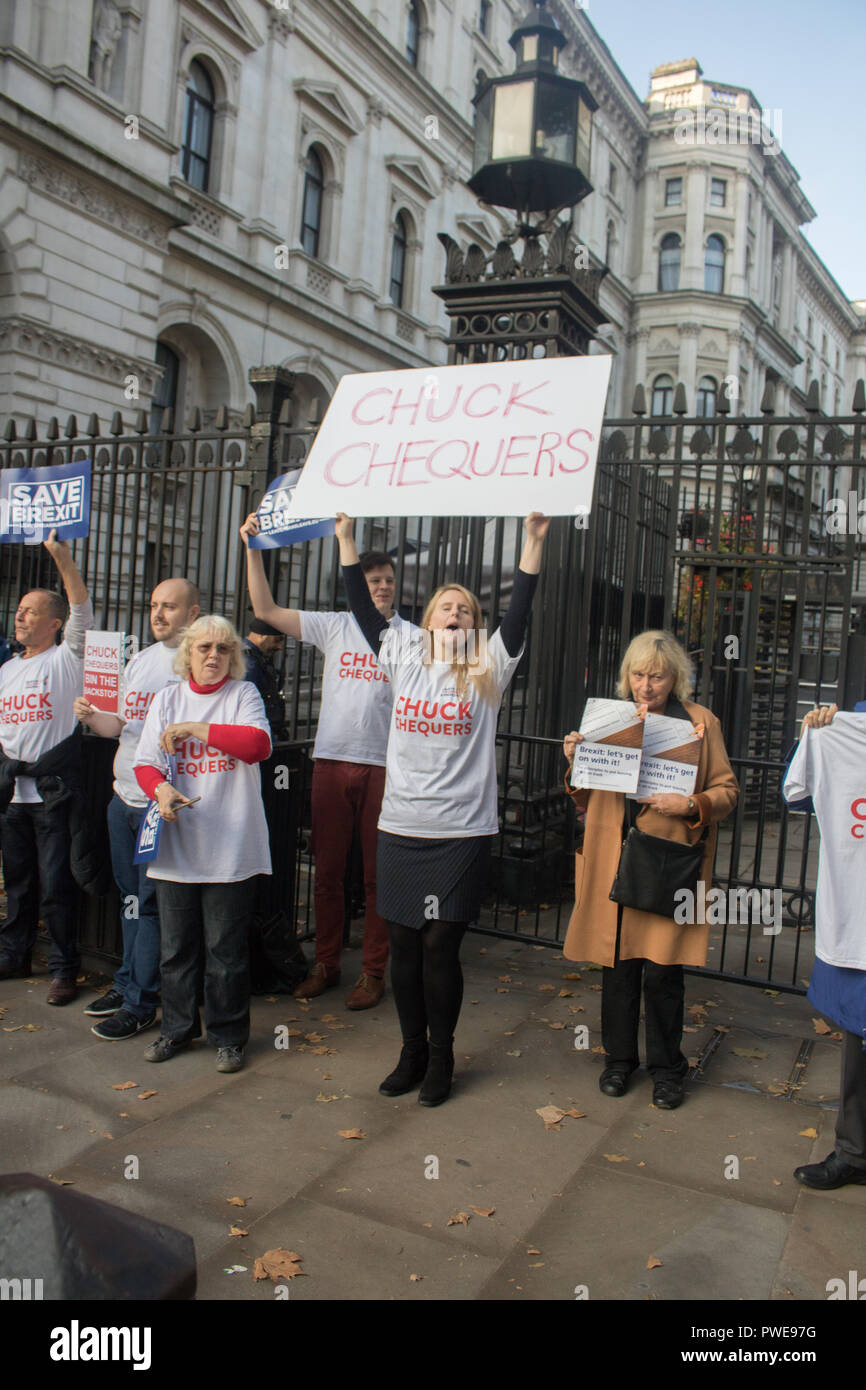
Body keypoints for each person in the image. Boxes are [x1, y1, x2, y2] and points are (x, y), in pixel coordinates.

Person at [336, 510, 550, 1106]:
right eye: (445, 608)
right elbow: (359, 605)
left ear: (476, 627)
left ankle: (443, 1056)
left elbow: (521, 607)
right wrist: (347, 540)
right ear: (426, 620)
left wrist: (533, 541)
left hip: (460, 833)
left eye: (466, 611)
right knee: (402, 944)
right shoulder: (402, 653)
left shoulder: (488, 665)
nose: (455, 614)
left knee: (438, 946)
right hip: (402, 826)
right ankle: (410, 1051)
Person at [562, 630, 738, 1109]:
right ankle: (618, 1062)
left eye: (657, 676)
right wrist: (576, 760)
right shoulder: (610, 718)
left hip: (665, 864)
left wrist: (691, 803)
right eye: (638, 675)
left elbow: (727, 792)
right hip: (612, 859)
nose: (647, 685)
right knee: (617, 969)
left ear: (674, 678)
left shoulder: (702, 723)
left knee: (662, 974)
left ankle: (668, 1070)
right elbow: (586, 793)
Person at [240, 513, 401, 1011]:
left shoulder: (408, 636)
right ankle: (327, 963)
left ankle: (374, 972)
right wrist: (252, 548)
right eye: (373, 580)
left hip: (385, 767)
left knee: (377, 879)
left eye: (389, 581)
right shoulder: (334, 627)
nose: (381, 588)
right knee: (328, 874)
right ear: (356, 584)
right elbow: (263, 607)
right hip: (331, 763)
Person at [132, 615, 272, 1072]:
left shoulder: (243, 694)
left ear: (233, 657)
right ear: (187, 653)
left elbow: (256, 747)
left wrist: (194, 727)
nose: (213, 656)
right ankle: (176, 1029)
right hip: (177, 847)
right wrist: (161, 790)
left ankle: (227, 1036)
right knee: (176, 950)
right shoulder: (166, 698)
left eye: (223, 649)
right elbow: (145, 762)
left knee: (225, 952)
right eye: (204, 648)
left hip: (230, 847)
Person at [74, 578, 201, 1039]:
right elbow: (118, 727)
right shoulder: (142, 659)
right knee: (131, 900)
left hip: (158, 802)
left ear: (192, 613)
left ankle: (141, 1002)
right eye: (154, 605)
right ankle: (128, 981)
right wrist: (91, 716)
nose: (158, 613)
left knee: (148, 904)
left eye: (169, 606)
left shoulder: (195, 663)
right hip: (122, 796)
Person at [0, 531, 95, 1005]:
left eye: (32, 610)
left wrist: (61, 557)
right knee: (17, 884)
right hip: (11, 797)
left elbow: (83, 609)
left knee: (56, 887)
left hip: (51, 796)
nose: (20, 615)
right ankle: (14, 955)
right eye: (19, 608)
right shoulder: (7, 670)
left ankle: (64, 969)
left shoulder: (65, 659)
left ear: (54, 624)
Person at [784, 701, 866, 1190]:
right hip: (858, 922)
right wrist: (812, 737)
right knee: (859, 1039)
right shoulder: (849, 726)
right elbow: (796, 796)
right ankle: (854, 1152)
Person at [242, 619, 287, 739]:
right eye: (276, 641)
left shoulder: (254, 658)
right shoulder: (248, 663)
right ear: (261, 635)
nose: (279, 647)